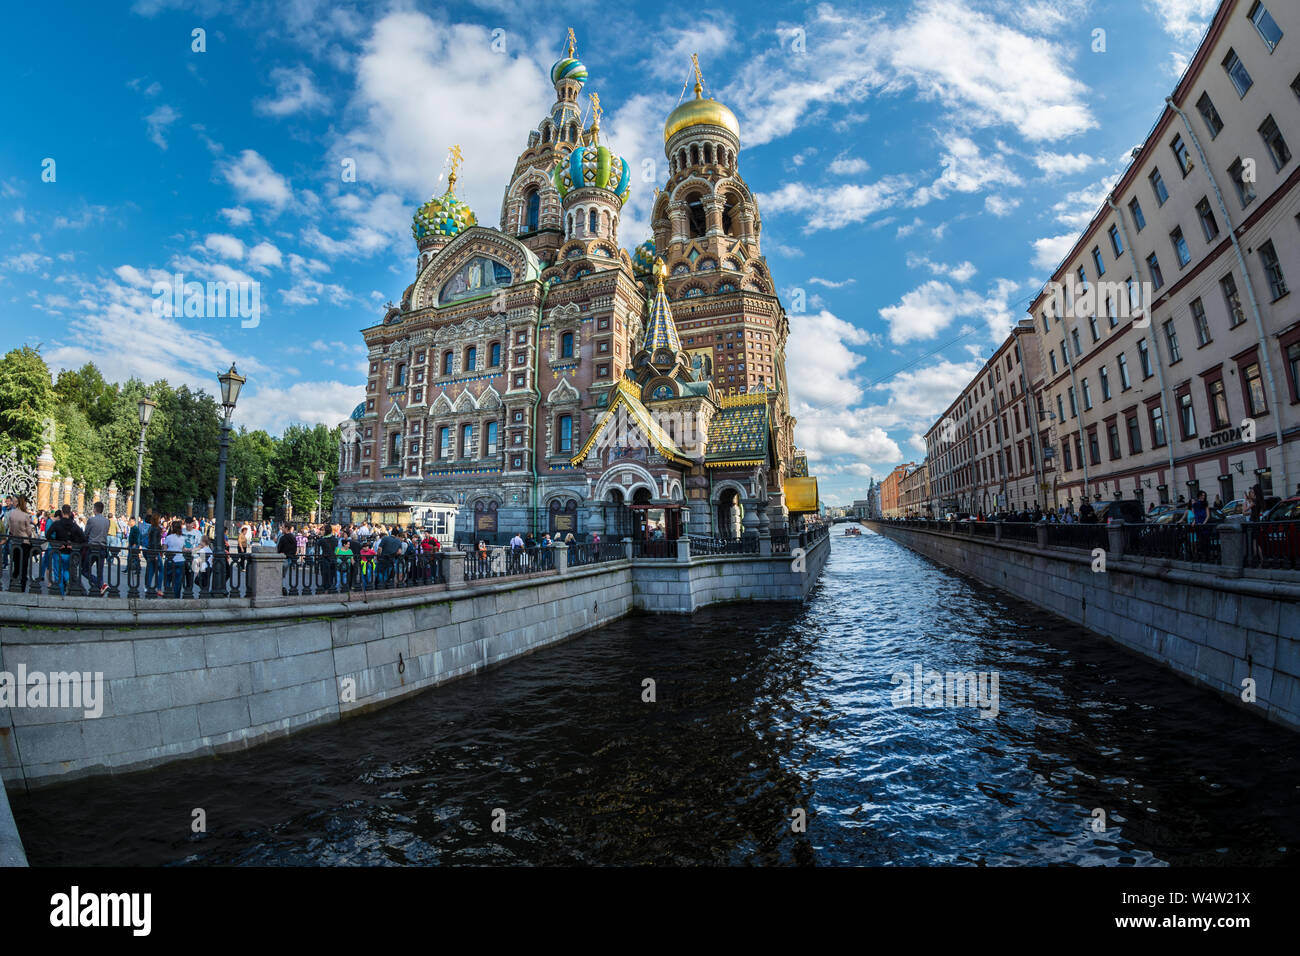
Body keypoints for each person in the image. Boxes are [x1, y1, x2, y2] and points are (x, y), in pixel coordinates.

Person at [45, 504, 87, 596]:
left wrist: (56, 543)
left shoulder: (57, 524)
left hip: (58, 551)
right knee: (67, 570)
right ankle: (69, 583)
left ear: (62, 512)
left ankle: (60, 593)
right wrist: (73, 545)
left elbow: (48, 535)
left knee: (58, 573)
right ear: (70, 512)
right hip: (69, 553)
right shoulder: (74, 525)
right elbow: (83, 538)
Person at [6, 495, 35, 592]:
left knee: (16, 565)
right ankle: (22, 587)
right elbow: (29, 531)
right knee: (24, 566)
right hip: (25, 542)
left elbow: (9, 528)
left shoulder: (12, 514)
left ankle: (12, 583)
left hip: (15, 541)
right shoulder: (25, 515)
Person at [82, 501, 111, 595]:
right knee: (100, 571)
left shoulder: (91, 520)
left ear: (95, 509)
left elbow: (86, 534)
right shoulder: (107, 521)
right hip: (102, 548)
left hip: (92, 548)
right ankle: (101, 587)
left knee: (85, 570)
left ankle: (100, 584)